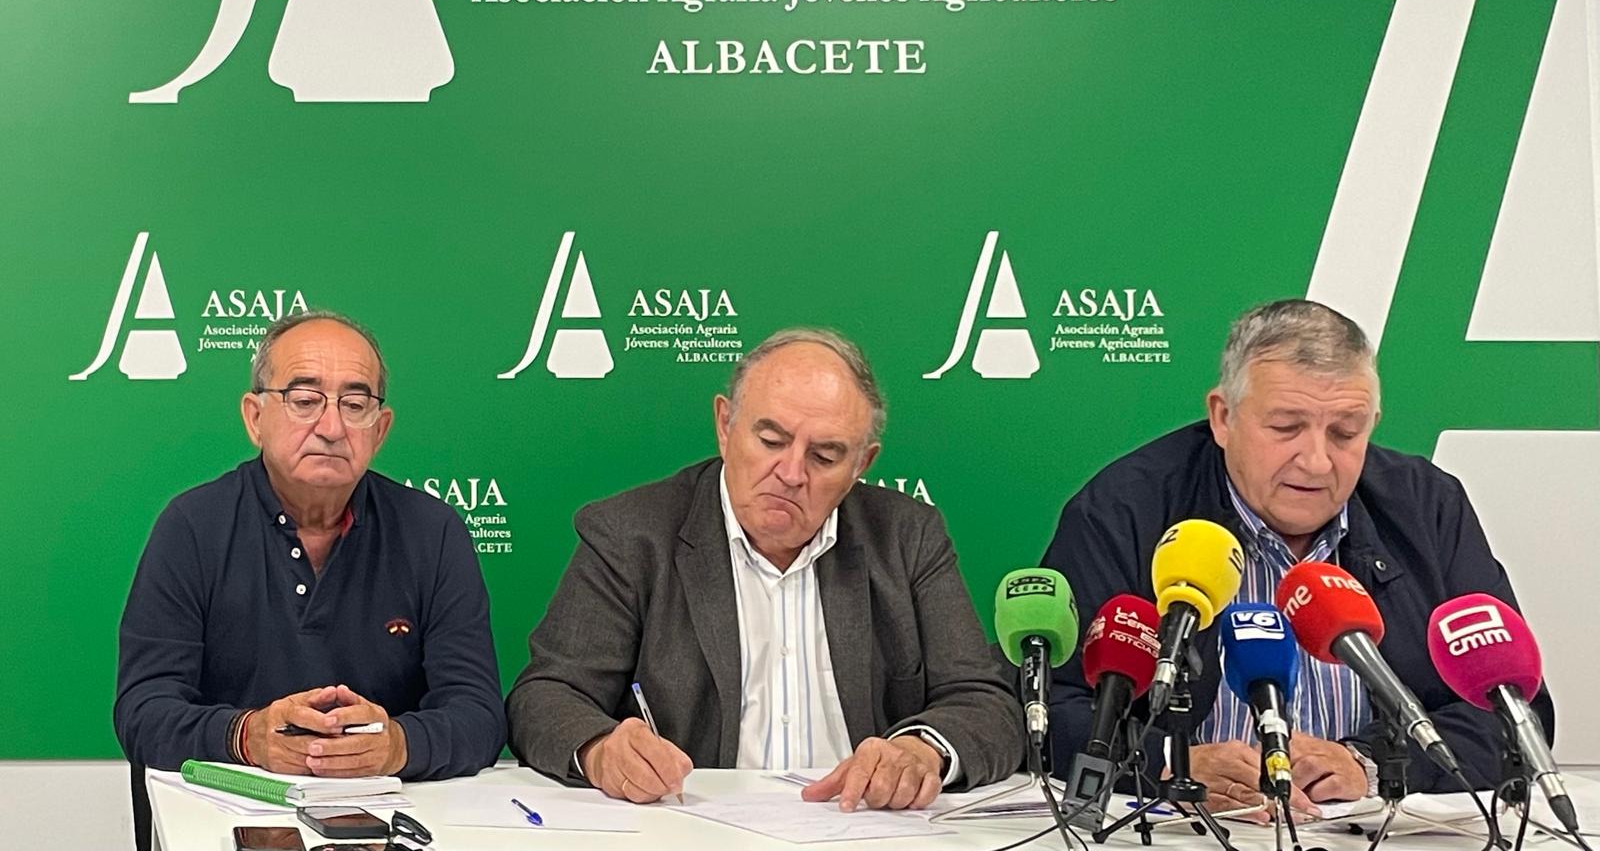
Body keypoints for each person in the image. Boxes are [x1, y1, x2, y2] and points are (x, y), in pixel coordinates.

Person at [1042, 299, 1553, 812]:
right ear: (1223, 417)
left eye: (1345, 432)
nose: (1315, 461)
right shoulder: (1124, 508)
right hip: (1187, 826)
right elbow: (1045, 705)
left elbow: (1515, 711)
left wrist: (1374, 764)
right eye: (1286, 427)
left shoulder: (1428, 507)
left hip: (1368, 828)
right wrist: (1166, 762)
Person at [506, 328, 1024, 810]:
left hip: (865, 827)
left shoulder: (907, 537)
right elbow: (547, 695)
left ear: (861, 466)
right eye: (771, 440)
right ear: (725, 426)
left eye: (825, 455)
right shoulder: (630, 535)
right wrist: (601, 749)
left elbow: (985, 703)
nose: (792, 473)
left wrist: (920, 750)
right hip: (691, 827)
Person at [115, 312, 505, 848]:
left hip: (388, 829)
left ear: (381, 427)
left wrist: (397, 744)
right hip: (230, 825)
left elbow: (479, 714)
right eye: (304, 400)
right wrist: (249, 736)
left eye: (354, 403)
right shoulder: (192, 527)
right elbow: (143, 712)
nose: (331, 427)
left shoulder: (432, 531)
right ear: (255, 417)